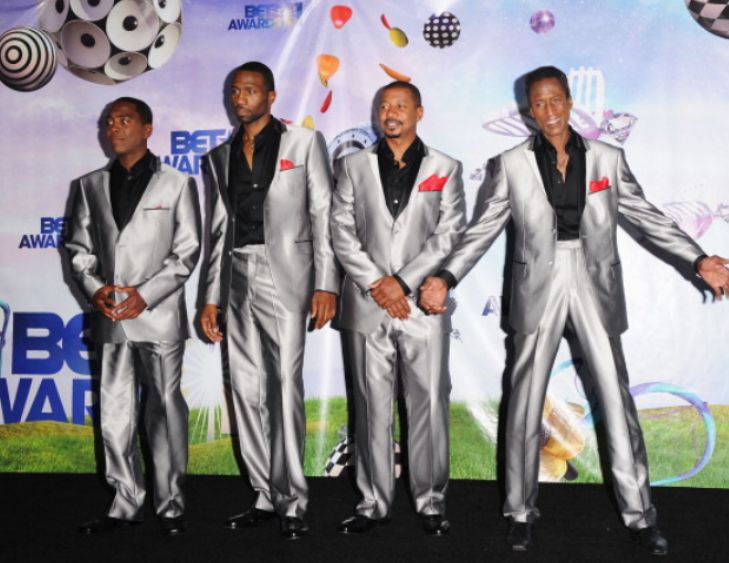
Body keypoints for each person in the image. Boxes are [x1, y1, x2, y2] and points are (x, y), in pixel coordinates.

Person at [418, 66, 729, 555]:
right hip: (536, 288)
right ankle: (520, 512)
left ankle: (640, 516)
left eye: (555, 101)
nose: (548, 112)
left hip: (594, 285)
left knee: (616, 400)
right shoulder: (510, 164)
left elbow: (646, 216)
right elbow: (481, 231)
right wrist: (445, 276)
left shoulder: (608, 158)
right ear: (529, 110)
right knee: (524, 403)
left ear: (569, 102)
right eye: (538, 104)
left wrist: (698, 260)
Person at [199, 61, 338, 540]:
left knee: (283, 386)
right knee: (245, 388)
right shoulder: (219, 156)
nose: (240, 98)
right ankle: (263, 494)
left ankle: (293, 500)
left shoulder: (304, 143)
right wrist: (211, 296)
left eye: (250, 90)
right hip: (237, 273)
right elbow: (218, 230)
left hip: (288, 277)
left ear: (271, 96)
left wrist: (326, 283)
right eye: (235, 91)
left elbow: (323, 214)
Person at [331, 81, 466, 536]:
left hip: (422, 305)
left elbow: (449, 234)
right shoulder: (351, 166)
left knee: (429, 404)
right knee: (370, 407)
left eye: (400, 106)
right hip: (367, 304)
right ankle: (372, 502)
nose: (390, 113)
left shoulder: (445, 167)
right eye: (384, 106)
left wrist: (402, 283)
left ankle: (431, 502)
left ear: (418, 112)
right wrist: (377, 283)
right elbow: (341, 230)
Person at [67, 97, 201, 536]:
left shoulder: (177, 183)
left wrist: (145, 295)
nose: (115, 128)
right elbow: (79, 249)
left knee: (164, 411)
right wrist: (96, 289)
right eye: (109, 121)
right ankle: (125, 502)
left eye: (125, 120)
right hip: (110, 316)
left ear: (147, 128)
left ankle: (171, 505)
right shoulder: (88, 185)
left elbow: (187, 251)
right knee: (114, 415)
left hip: (158, 315)